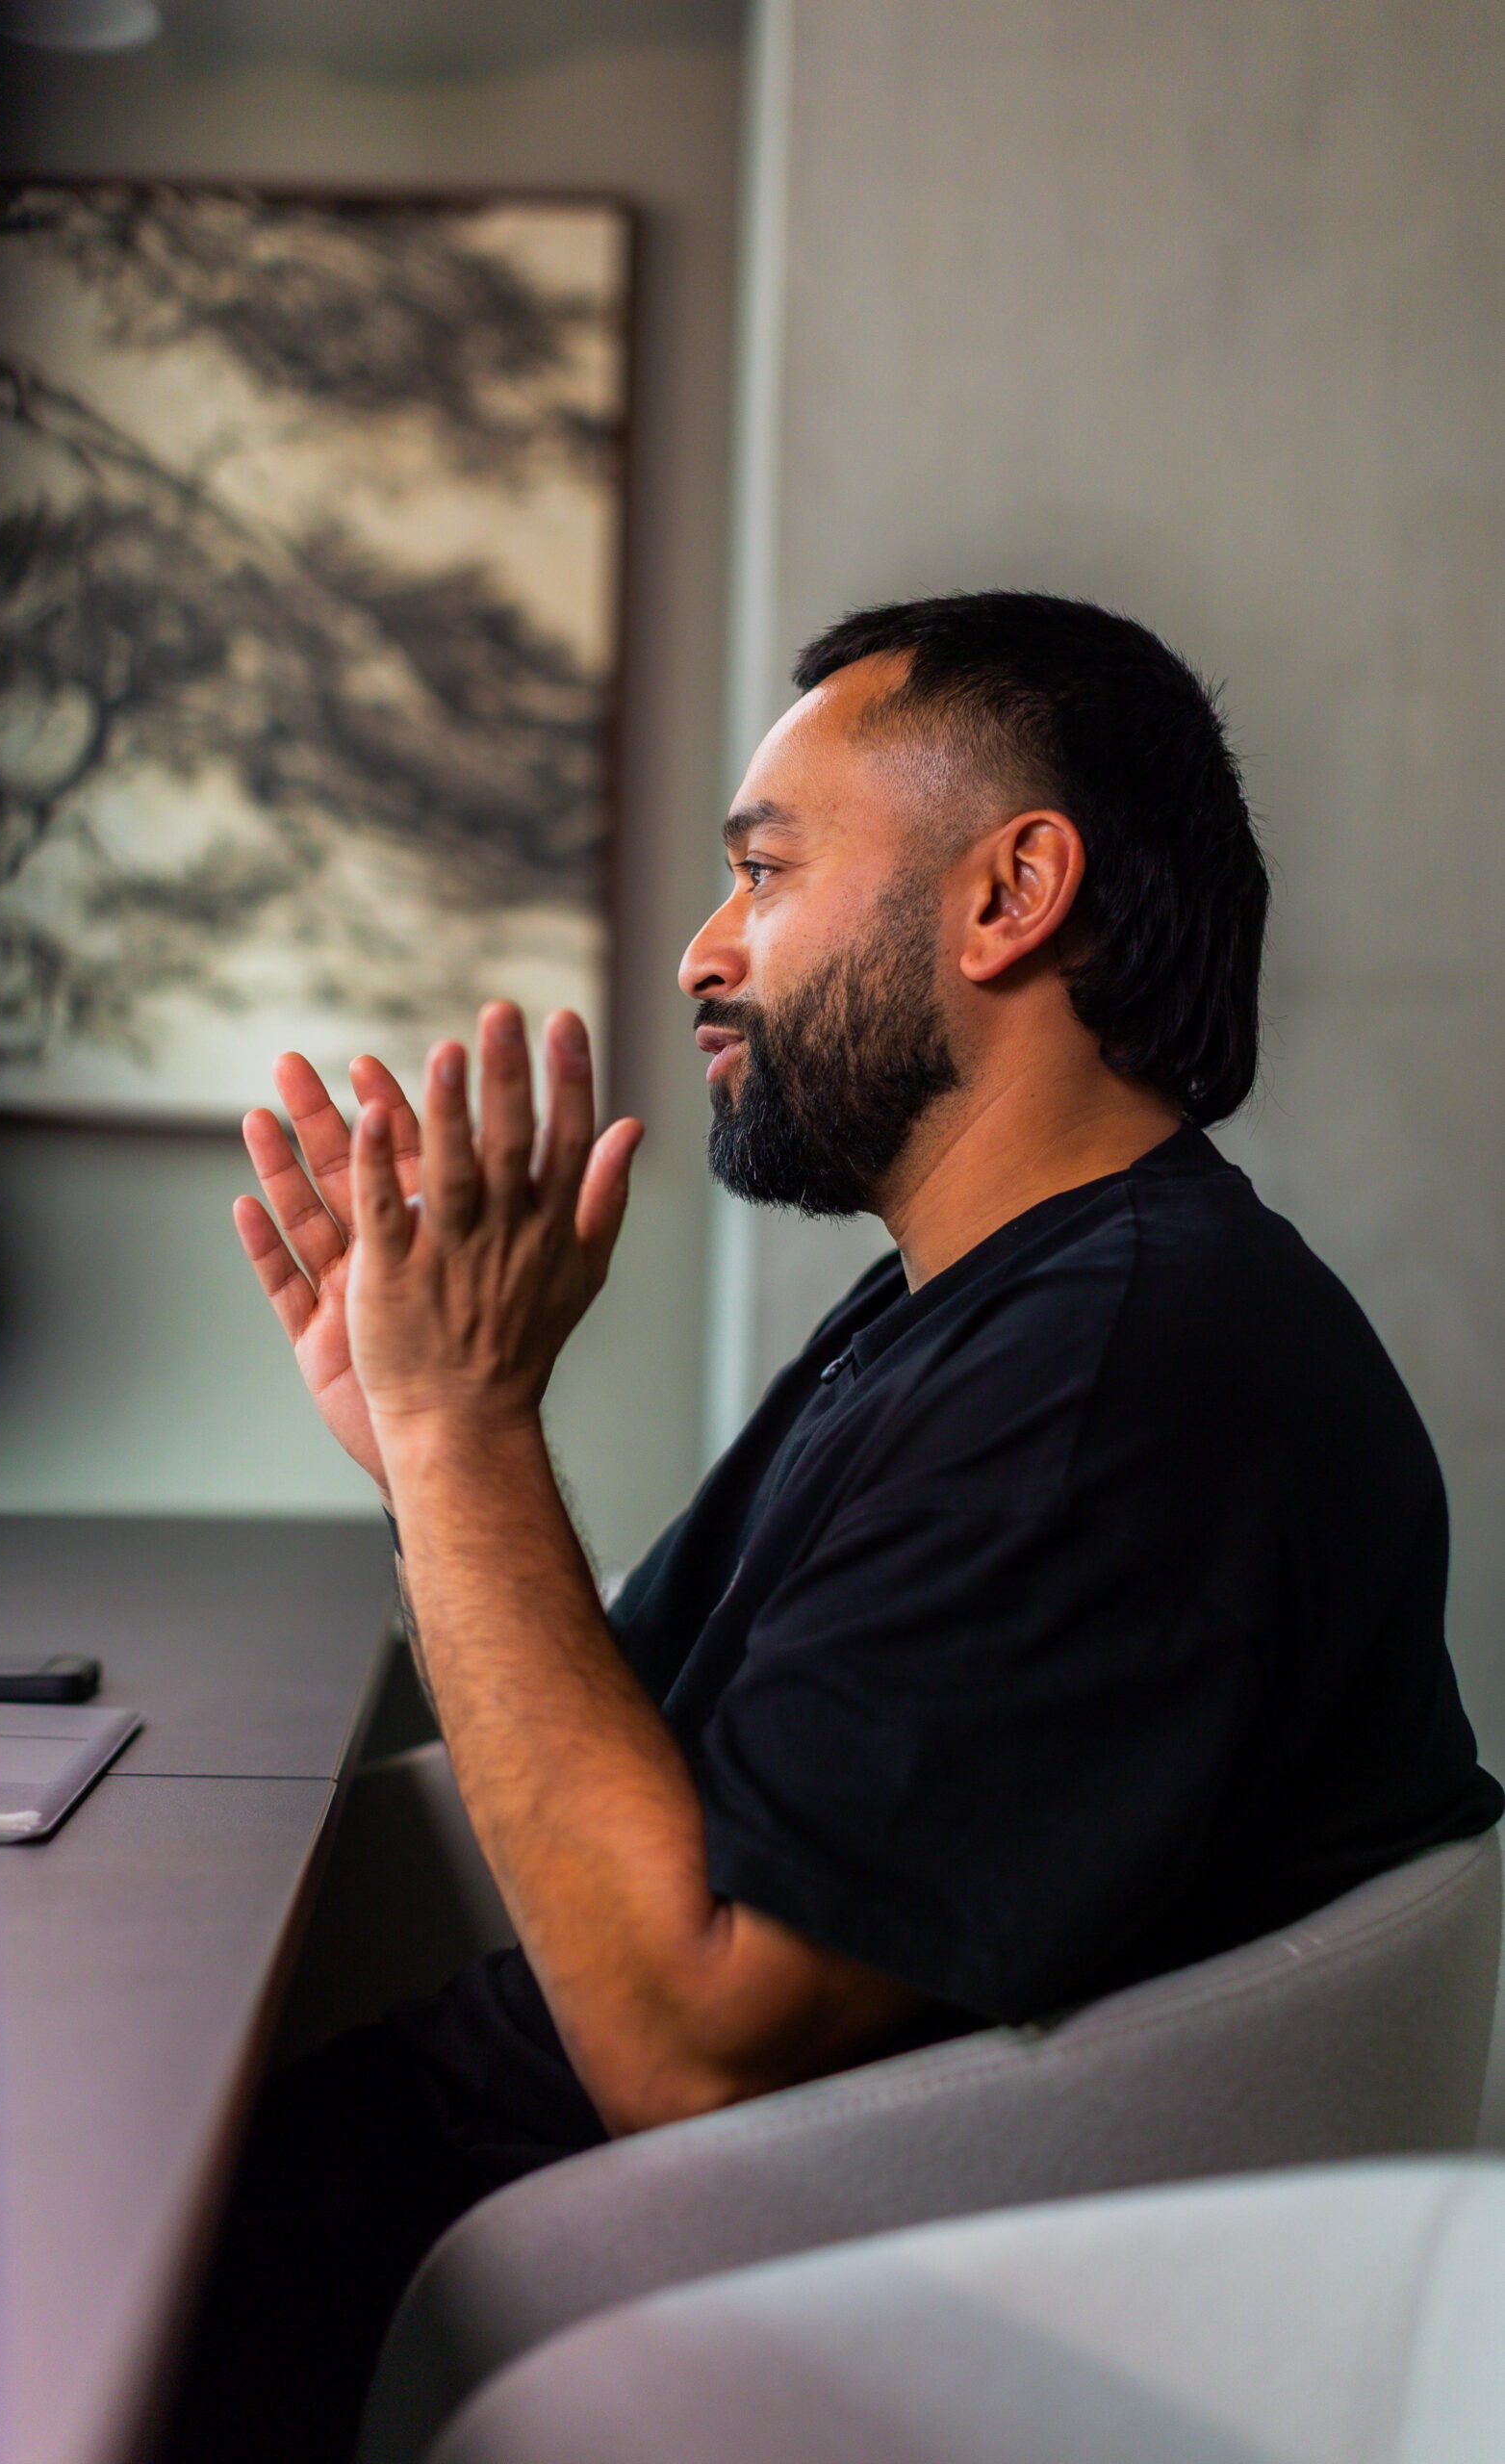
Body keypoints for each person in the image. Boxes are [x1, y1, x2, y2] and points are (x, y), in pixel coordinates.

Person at [162, 592, 1502, 2463]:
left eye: (762, 870)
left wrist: (468, 1429)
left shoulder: (1120, 1373)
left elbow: (683, 2038)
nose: (707, 951)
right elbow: (607, 1761)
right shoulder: (980, 1306)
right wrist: (428, 1440)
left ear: (1006, 891)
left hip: (588, 2291)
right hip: (478, 2204)